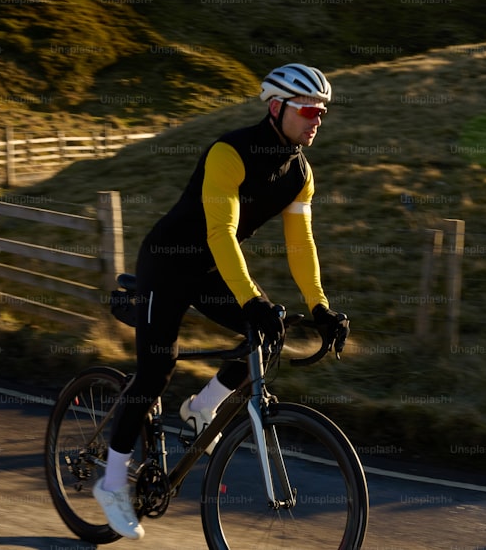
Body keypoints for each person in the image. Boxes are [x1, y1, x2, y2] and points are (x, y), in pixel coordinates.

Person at [93, 63, 351, 540]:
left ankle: (201, 406)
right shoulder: (229, 153)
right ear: (276, 108)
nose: (318, 119)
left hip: (212, 270)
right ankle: (110, 484)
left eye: (323, 112)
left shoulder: (299, 173)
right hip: (168, 264)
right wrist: (250, 297)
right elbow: (221, 231)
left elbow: (302, 246)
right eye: (310, 110)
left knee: (269, 334)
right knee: (155, 370)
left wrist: (320, 308)